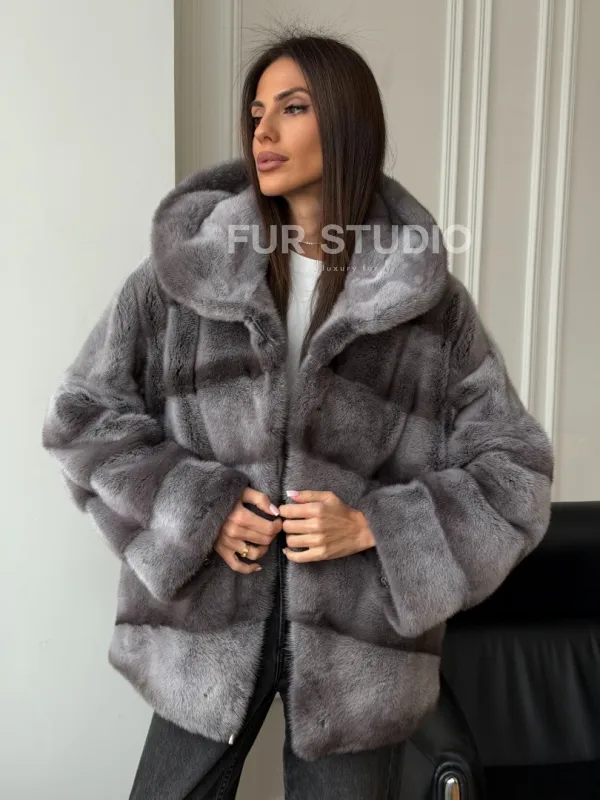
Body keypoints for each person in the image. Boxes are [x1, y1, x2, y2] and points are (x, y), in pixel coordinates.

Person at [41, 28, 554, 800]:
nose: (264, 132)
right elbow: (84, 413)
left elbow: (515, 471)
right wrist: (198, 510)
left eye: (292, 108)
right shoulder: (187, 275)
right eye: (256, 113)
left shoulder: (424, 305)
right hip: (206, 621)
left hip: (361, 649)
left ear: (344, 122)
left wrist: (376, 526)